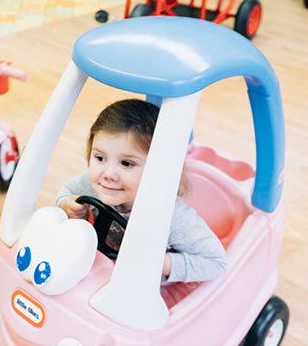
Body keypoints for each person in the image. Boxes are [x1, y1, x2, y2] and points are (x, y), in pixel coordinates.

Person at [57, 99, 227, 284]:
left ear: (158, 169)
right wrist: (65, 203)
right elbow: (66, 191)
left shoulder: (172, 217)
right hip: (92, 272)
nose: (108, 174)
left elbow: (217, 264)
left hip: (138, 289)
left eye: (126, 163)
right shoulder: (93, 184)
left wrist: (162, 263)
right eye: (100, 158)